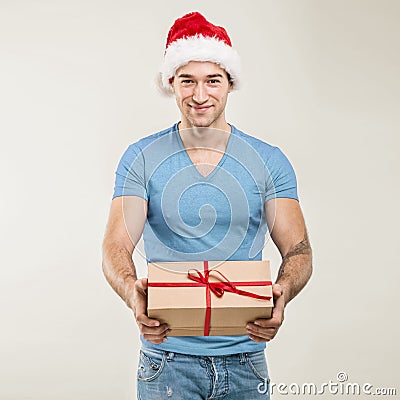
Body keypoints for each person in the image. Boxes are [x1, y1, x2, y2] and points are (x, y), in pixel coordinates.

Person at [102, 11, 312, 400]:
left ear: (229, 84)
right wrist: (132, 291)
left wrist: (283, 290)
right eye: (188, 81)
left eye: (212, 81)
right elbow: (116, 246)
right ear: (171, 84)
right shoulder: (142, 157)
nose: (200, 96)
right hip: (166, 361)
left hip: (247, 360)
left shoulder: (268, 160)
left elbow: (298, 249)